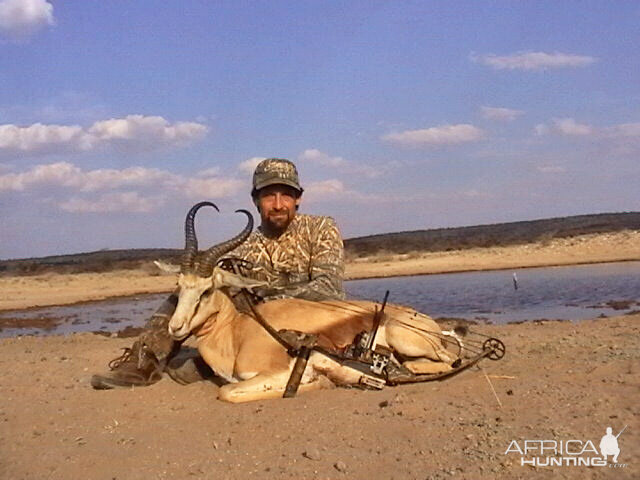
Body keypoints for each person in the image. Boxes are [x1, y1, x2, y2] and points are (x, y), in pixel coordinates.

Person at [91, 158, 345, 389]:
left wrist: (268, 296)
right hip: (262, 331)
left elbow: (329, 289)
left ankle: (212, 366)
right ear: (256, 200)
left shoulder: (321, 228)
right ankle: (142, 363)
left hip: (312, 324)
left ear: (298, 198)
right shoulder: (243, 246)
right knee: (191, 288)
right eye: (269, 196)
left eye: (286, 195)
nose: (278, 205)